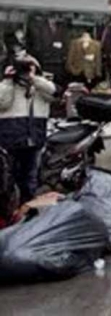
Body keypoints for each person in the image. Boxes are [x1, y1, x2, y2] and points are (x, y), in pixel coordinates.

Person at [0, 34, 59, 203]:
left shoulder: (39, 87)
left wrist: (35, 78)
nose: (25, 72)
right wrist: (8, 81)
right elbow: (2, 103)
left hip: (34, 140)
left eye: (29, 68)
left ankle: (27, 209)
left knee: (30, 178)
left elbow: (54, 93)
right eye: (23, 68)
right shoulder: (8, 86)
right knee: (8, 178)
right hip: (10, 139)